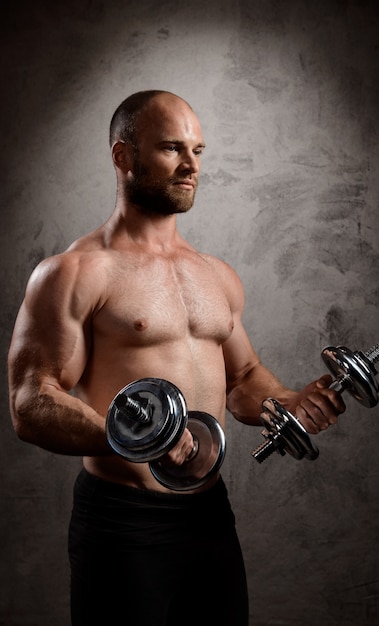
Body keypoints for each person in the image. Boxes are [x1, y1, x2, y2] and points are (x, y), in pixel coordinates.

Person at [8, 90, 345, 626]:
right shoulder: (75, 272)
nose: (192, 165)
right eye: (172, 148)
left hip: (209, 516)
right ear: (123, 157)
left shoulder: (215, 274)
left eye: (199, 150)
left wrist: (289, 401)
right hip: (124, 521)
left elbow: (244, 378)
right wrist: (143, 438)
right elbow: (31, 401)